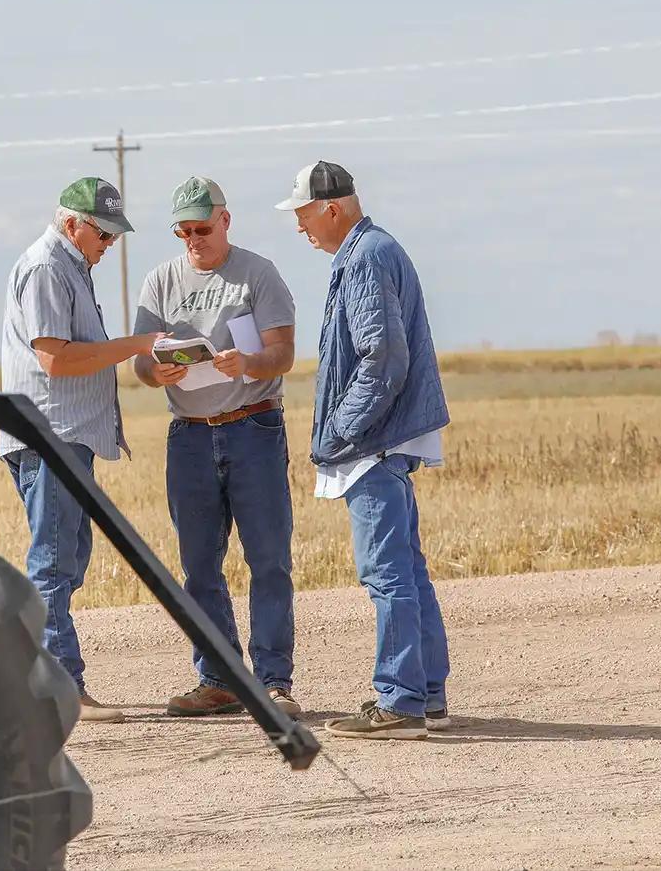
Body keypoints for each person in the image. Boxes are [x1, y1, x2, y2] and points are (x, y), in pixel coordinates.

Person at [276, 161, 452, 740]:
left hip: (373, 442)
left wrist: (339, 431)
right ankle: (423, 695)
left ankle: (399, 702)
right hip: (388, 437)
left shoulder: (366, 257)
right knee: (407, 568)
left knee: (386, 572)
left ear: (331, 208)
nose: (300, 228)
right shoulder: (372, 250)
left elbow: (381, 358)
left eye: (302, 215)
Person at [132, 176, 301, 717]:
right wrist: (154, 372)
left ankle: (274, 683)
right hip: (189, 435)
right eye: (182, 231)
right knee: (199, 563)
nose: (193, 241)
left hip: (253, 428)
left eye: (201, 229)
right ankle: (219, 677)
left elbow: (283, 353)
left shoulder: (258, 274)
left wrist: (247, 364)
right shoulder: (161, 280)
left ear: (226, 220)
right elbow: (141, 359)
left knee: (268, 559)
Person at [0, 177, 163, 723]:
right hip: (52, 434)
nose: (108, 244)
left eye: (114, 236)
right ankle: (59, 686)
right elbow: (57, 359)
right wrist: (137, 346)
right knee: (53, 560)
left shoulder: (71, 265)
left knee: (67, 559)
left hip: (67, 435)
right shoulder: (49, 267)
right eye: (102, 233)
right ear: (71, 223)